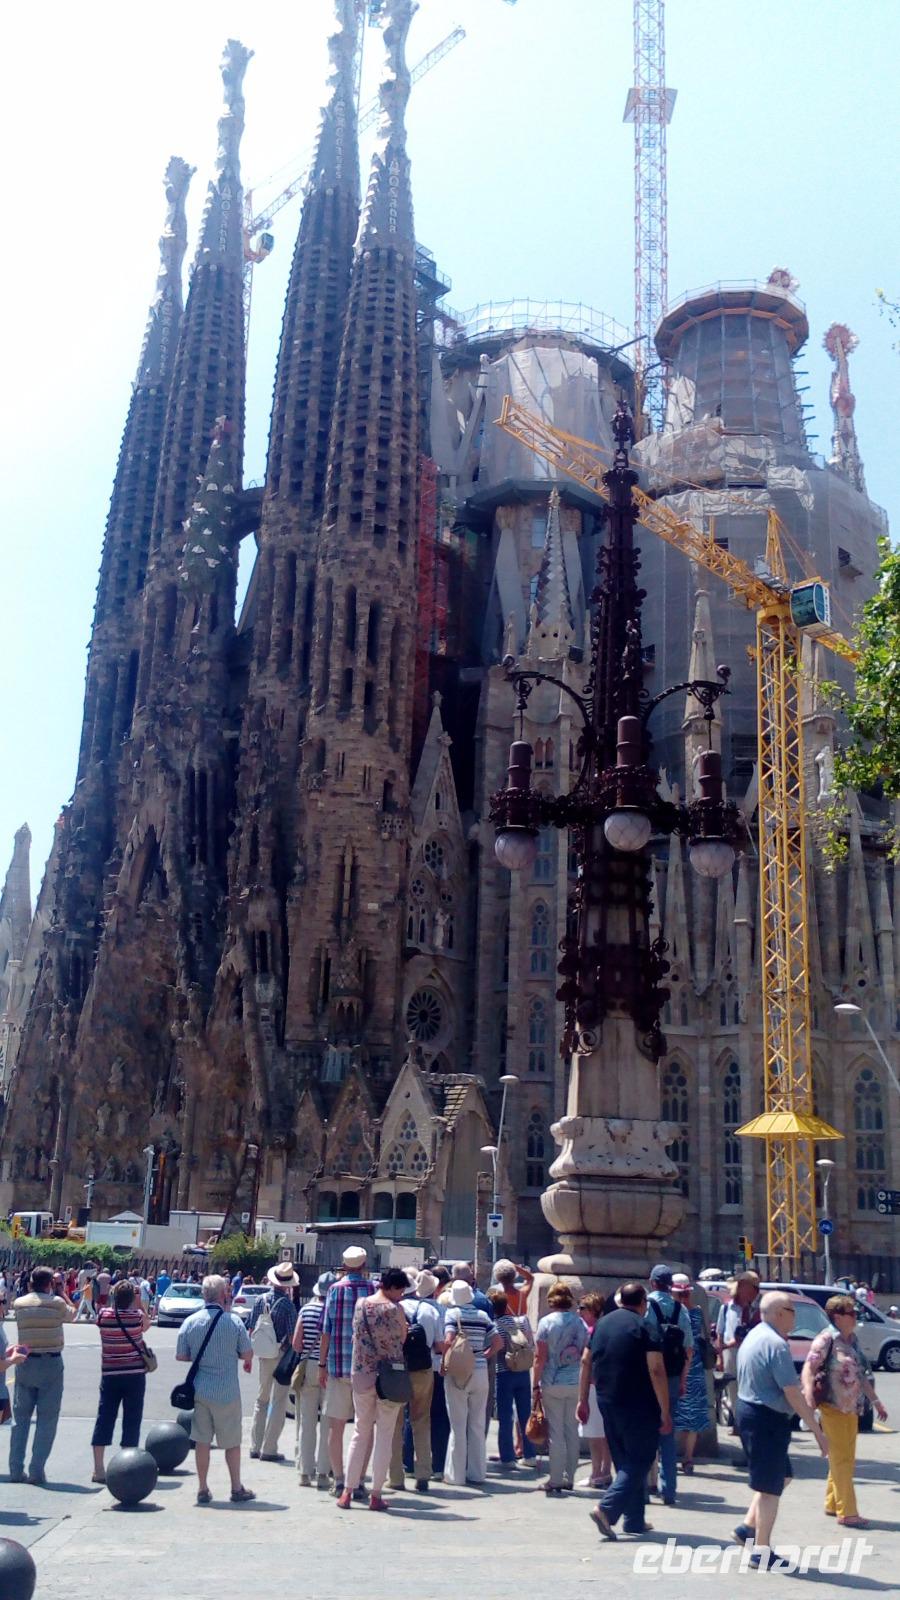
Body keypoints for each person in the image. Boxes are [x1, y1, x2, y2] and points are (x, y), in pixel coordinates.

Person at [734, 1290, 828, 1570]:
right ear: (778, 1314)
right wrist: (817, 1432)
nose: (795, 1316)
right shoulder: (776, 1344)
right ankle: (760, 1551)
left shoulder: (755, 1335)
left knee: (782, 1475)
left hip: (753, 1413)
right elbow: (793, 1393)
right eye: (791, 1311)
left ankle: (747, 1528)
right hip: (766, 1420)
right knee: (769, 1489)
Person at [580, 1281, 670, 1541]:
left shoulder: (602, 1324)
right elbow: (656, 1369)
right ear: (643, 1303)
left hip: (607, 1401)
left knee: (625, 1462)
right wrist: (665, 1409)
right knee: (641, 1460)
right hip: (639, 1404)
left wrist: (582, 1399)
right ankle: (606, 1510)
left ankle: (634, 1520)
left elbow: (586, 1361)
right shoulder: (645, 1326)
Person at [801, 1292, 887, 1528]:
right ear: (838, 1317)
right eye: (851, 1313)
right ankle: (847, 1512)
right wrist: (808, 1393)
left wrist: (876, 1401)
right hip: (832, 1406)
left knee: (844, 1458)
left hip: (852, 1408)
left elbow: (861, 1375)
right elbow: (809, 1368)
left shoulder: (852, 1341)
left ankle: (832, 1502)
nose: (855, 1316)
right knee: (841, 1459)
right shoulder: (826, 1339)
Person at [175, 1273, 255, 1505]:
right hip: (227, 1390)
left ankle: (202, 1487)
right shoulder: (234, 1322)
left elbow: (181, 1355)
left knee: (202, 1441)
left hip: (200, 1390)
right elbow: (247, 1353)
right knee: (231, 1442)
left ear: (203, 1295)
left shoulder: (191, 1321)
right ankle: (236, 1487)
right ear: (224, 1295)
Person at [337, 1266, 410, 1511]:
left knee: (360, 1432)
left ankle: (348, 1490)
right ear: (392, 1287)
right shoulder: (395, 1309)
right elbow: (402, 1337)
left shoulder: (361, 1304)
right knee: (384, 1435)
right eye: (400, 1290)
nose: (401, 1294)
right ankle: (376, 1494)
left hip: (361, 1373)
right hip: (389, 1377)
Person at [9, 1265, 77, 1484]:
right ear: (50, 1284)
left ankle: (16, 1469)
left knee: (21, 1419)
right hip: (51, 1363)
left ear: (30, 1283)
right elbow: (72, 1314)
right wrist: (62, 1291)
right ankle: (37, 1469)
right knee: (47, 1419)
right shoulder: (57, 1304)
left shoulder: (20, 1304)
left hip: (26, 1362)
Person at [319, 1246, 377, 1497]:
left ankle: (340, 1479)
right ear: (364, 1266)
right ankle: (360, 1479)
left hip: (338, 1366)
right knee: (365, 1426)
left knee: (336, 1426)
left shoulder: (334, 1290)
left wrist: (322, 1364)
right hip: (366, 1369)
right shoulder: (373, 1289)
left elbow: (326, 1330)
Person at [442, 1280, 502, 1487]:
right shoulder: (483, 1315)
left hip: (459, 1372)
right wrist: (483, 1355)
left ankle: (455, 1475)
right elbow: (498, 1342)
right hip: (479, 1371)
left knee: (457, 1425)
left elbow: (449, 1340)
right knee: (477, 1424)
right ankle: (477, 1473)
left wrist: (445, 1361)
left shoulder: (452, 1314)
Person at [90, 1279, 152, 1482]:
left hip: (109, 1373)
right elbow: (147, 1324)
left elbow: (101, 1310)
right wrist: (138, 1302)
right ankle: (128, 1467)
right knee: (132, 1420)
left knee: (104, 1418)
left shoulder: (104, 1316)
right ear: (131, 1299)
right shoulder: (137, 1317)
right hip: (134, 1374)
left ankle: (98, 1469)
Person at [391, 1268, 444, 1492]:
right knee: (421, 1421)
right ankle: (423, 1473)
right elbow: (440, 1346)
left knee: (395, 1424)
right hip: (424, 1370)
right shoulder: (429, 1311)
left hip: (398, 1370)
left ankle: (396, 1476)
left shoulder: (395, 1310)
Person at [533, 1281, 589, 1496]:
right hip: (575, 1381)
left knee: (555, 1431)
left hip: (552, 1380)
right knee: (571, 1431)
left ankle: (555, 1479)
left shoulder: (546, 1323)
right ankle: (570, 1477)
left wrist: (535, 1383)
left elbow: (540, 1357)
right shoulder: (581, 1324)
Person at [645, 1264, 693, 1506]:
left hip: (649, 1376)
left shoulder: (647, 1306)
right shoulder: (680, 1309)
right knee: (667, 1432)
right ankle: (670, 1490)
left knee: (645, 1433)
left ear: (652, 1282)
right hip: (673, 1376)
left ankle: (644, 1487)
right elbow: (689, 1349)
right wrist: (683, 1379)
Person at [248, 1260, 299, 1462]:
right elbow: (294, 1335)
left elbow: (251, 1327)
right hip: (281, 1354)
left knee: (261, 1400)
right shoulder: (287, 1305)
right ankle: (269, 1448)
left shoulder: (260, 1300)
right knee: (279, 1401)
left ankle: (255, 1445)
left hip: (263, 1355)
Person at [291, 1270, 335, 1487]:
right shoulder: (335, 1312)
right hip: (329, 1368)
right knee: (328, 1422)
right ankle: (324, 1473)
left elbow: (296, 1344)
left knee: (306, 1421)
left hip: (308, 1366)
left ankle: (305, 1472)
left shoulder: (306, 1310)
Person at [488, 1286, 536, 1470]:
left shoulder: (494, 1325)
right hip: (523, 1372)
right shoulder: (521, 1322)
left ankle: (507, 1457)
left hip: (503, 1372)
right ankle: (529, 1454)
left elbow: (496, 1349)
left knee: (505, 1416)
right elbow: (529, 1343)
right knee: (524, 1414)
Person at [670, 1273, 711, 1474]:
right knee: (693, 1416)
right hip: (694, 1368)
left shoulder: (674, 1313)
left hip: (677, 1366)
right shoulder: (696, 1312)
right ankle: (688, 1458)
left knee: (672, 1411)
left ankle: (668, 1455)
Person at [715, 1271, 760, 1431]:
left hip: (751, 1353)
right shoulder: (727, 1307)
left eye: (743, 1285)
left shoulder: (759, 1308)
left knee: (750, 1387)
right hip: (731, 1352)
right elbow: (720, 1333)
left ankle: (747, 1422)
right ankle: (738, 1422)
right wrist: (720, 1357)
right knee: (732, 1388)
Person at [577, 1293, 611, 1488]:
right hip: (607, 1385)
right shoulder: (605, 1327)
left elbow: (585, 1360)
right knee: (606, 1433)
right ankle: (605, 1471)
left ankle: (597, 1472)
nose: (579, 1312)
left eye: (582, 1308)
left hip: (592, 1385)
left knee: (594, 1434)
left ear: (592, 1310)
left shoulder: (592, 1331)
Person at [429, 1265, 452, 1475]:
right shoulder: (445, 1308)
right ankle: (439, 1464)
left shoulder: (420, 1307)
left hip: (422, 1367)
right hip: (439, 1368)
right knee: (439, 1416)